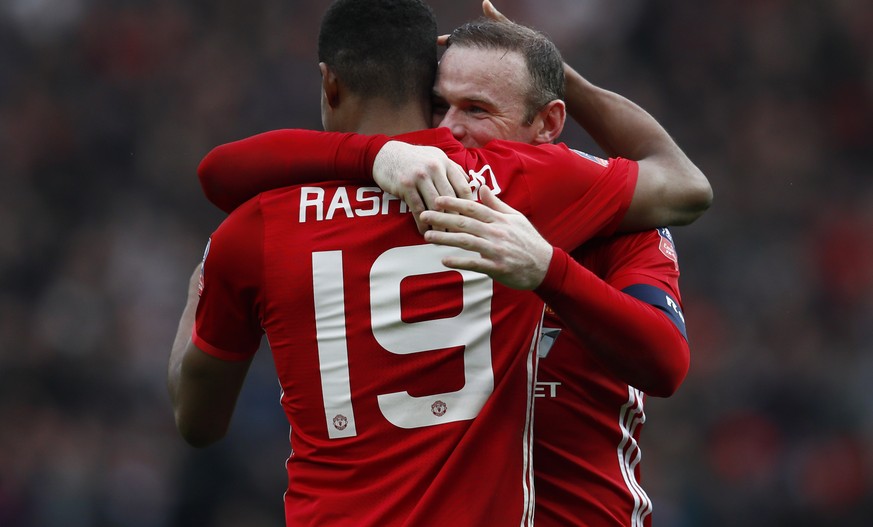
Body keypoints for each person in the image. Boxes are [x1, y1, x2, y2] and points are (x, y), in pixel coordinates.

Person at [169, 0, 697, 525]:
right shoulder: (512, 185)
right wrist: (373, 154)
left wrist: (201, 286)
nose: (453, 129)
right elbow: (684, 185)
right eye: (441, 105)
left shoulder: (259, 225)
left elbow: (197, 419)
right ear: (422, 93)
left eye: (477, 109)